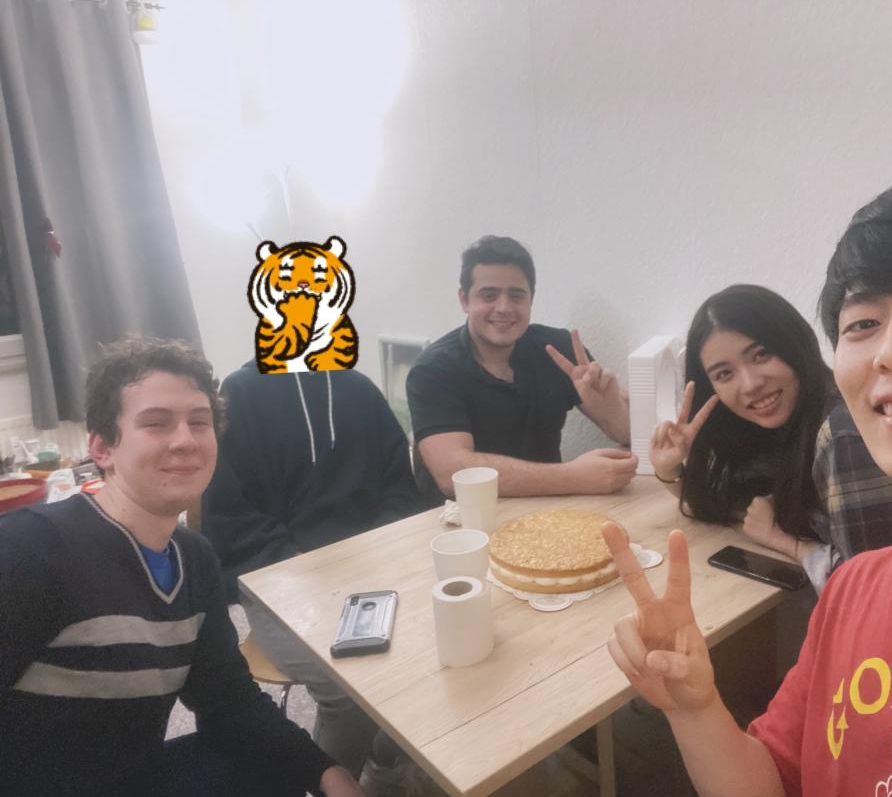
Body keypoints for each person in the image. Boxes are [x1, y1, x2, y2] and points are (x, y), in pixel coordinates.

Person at [604, 172, 892, 794]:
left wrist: (780, 540)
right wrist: (694, 709)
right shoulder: (855, 591)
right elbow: (771, 780)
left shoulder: (842, 435)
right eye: (862, 323)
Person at [0, 337, 361, 796]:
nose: (185, 440)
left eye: (199, 422)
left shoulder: (194, 558)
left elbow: (227, 701)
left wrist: (327, 774)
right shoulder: (31, 550)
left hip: (135, 775)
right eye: (156, 423)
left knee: (271, 767)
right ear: (103, 448)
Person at [202, 362, 421, 776]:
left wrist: (377, 550)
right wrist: (305, 567)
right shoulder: (241, 393)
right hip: (280, 579)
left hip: (374, 568)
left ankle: (386, 766)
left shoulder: (359, 389)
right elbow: (230, 515)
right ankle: (333, 783)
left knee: (435, 639)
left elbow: (400, 487)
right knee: (348, 686)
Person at [650, 284, 892, 590]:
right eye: (724, 374)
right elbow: (721, 504)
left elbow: (876, 591)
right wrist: (668, 468)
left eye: (761, 355)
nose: (751, 384)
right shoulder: (779, 428)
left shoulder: (845, 437)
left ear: (793, 343)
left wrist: (784, 541)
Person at [406, 234, 636, 504]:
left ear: (531, 299)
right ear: (464, 300)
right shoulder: (432, 370)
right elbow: (453, 473)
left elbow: (629, 435)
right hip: (463, 519)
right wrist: (574, 477)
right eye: (489, 295)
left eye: (516, 295)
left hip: (547, 512)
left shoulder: (558, 349)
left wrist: (612, 410)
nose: (504, 307)